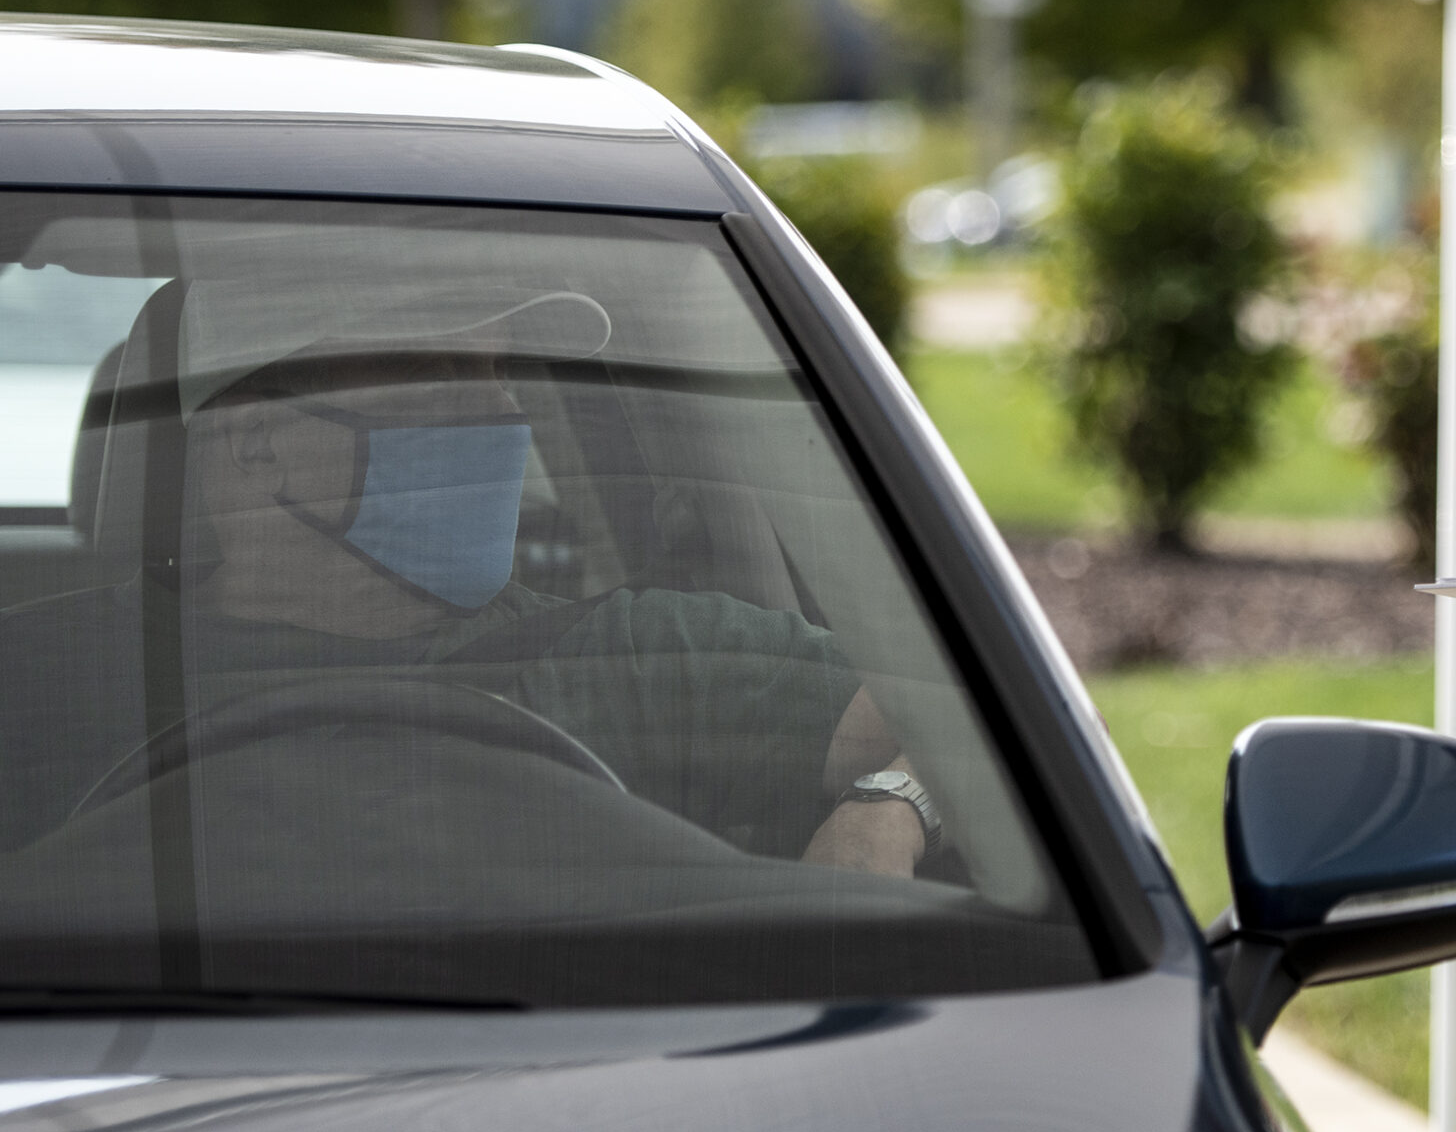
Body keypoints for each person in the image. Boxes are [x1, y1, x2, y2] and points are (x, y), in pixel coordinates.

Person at [0, 280, 933, 877]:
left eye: (499, 370)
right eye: (442, 374)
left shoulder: (643, 654)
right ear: (259, 451)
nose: (502, 408)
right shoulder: (37, 678)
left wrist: (893, 804)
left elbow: (964, 722)